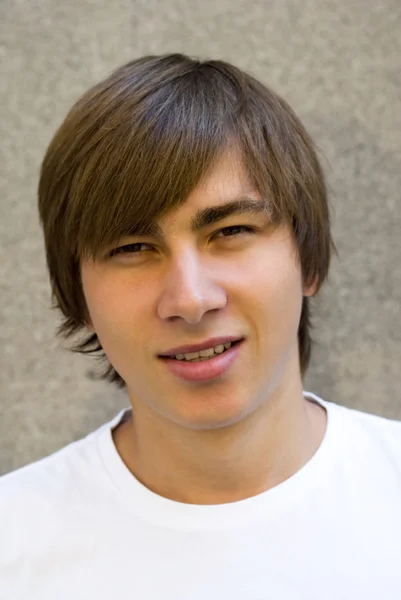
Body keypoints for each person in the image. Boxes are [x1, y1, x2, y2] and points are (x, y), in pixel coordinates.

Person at [1, 53, 400, 599]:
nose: (189, 299)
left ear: (308, 260)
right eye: (132, 247)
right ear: (80, 296)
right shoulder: (14, 543)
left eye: (231, 231)